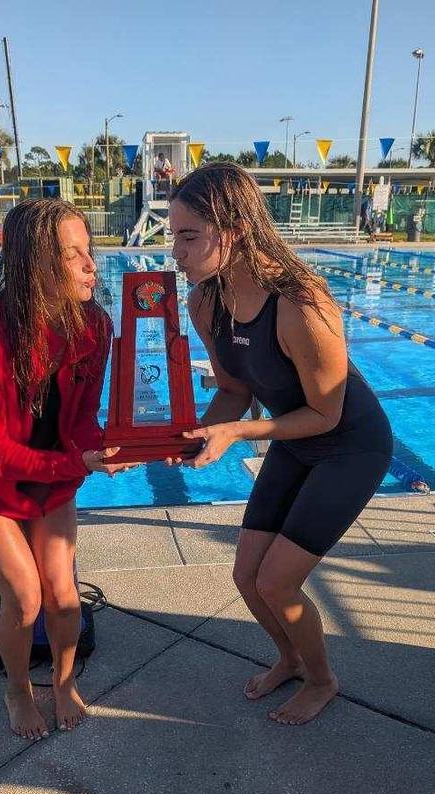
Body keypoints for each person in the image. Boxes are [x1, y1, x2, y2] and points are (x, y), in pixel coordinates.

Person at [168, 163, 393, 726]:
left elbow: (325, 412)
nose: (176, 250)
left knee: (277, 580)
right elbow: (235, 392)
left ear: (234, 230)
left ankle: (322, 679)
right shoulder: (206, 302)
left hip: (349, 446)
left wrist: (238, 433)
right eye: (173, 235)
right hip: (295, 440)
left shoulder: (301, 303)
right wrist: (187, 437)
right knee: (246, 576)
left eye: (188, 236)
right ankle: (290, 658)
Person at [0, 199, 133, 738]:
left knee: (63, 594)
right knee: (25, 598)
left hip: (54, 471)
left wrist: (112, 448)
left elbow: (84, 419)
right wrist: (77, 460)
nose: (91, 265)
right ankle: (17, 689)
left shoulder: (94, 325)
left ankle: (65, 680)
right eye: (74, 256)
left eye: (89, 252)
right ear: (34, 265)